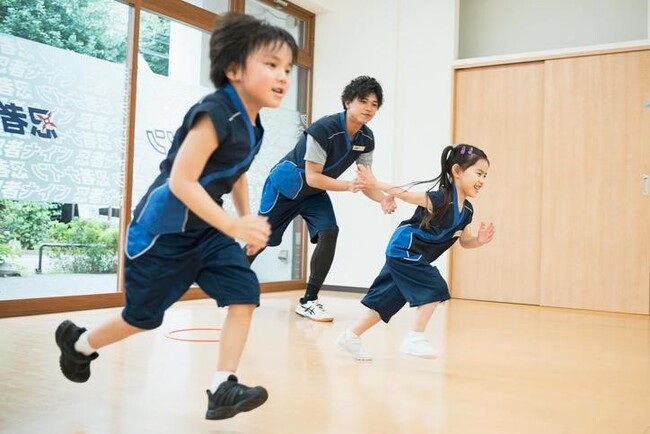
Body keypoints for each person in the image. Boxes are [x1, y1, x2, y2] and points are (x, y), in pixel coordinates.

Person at [54, 13, 298, 420]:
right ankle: (79, 345)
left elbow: (236, 173)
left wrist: (247, 219)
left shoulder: (255, 127)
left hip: (206, 230)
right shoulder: (215, 113)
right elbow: (182, 182)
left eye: (287, 68)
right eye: (271, 65)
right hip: (161, 233)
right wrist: (234, 225)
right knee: (142, 318)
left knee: (244, 292)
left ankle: (223, 386)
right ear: (234, 69)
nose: (283, 76)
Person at [247, 76, 396, 322]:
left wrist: (381, 199)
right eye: (363, 101)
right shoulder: (323, 129)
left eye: (374, 104)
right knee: (259, 239)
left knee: (329, 231)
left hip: (313, 193)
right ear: (348, 102)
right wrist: (348, 186)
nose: (369, 108)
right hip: (286, 186)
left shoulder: (366, 139)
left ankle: (309, 300)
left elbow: (365, 180)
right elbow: (313, 177)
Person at [336, 144, 495, 360]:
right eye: (478, 173)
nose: (482, 181)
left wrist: (479, 240)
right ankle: (415, 337)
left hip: (408, 254)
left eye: (485, 175)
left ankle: (350, 336)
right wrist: (375, 184)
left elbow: (464, 241)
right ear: (457, 171)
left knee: (386, 300)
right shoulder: (441, 198)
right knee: (435, 285)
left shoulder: (467, 211)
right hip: (405, 248)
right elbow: (406, 195)